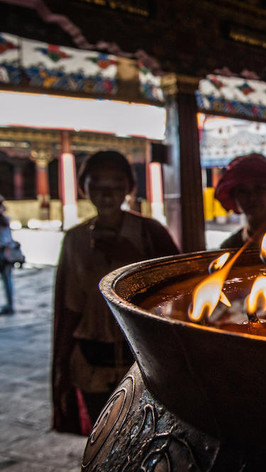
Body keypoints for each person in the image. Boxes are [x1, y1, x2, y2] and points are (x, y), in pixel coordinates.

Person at [52, 151, 179, 435]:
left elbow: (178, 292)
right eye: (96, 183)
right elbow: (70, 306)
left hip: (141, 352)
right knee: (104, 435)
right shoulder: (75, 239)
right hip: (91, 355)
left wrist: (133, 258)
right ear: (84, 187)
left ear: (128, 188)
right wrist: (61, 361)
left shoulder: (149, 232)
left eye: (116, 184)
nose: (106, 193)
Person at [0, 195, 15, 315]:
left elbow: (6, 239)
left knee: (7, 280)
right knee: (7, 280)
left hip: (3, 252)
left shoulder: (4, 221)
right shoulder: (6, 220)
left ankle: (10, 305)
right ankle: (10, 304)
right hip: (6, 252)